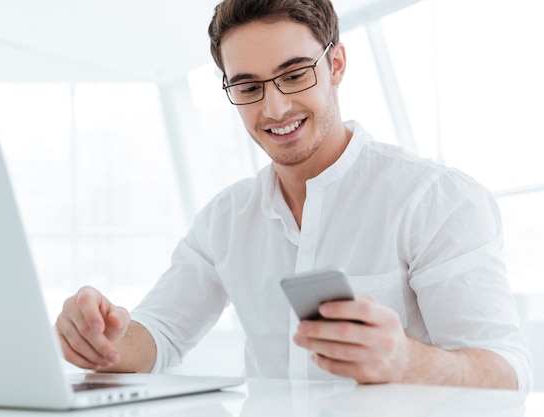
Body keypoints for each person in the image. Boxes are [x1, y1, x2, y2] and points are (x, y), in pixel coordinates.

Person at [55, 0, 533, 390]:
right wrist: (104, 339)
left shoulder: (434, 200)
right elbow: (158, 335)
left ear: (337, 64)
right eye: (247, 86)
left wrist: (409, 361)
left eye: (295, 73)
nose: (275, 106)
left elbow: (510, 371)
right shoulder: (225, 219)